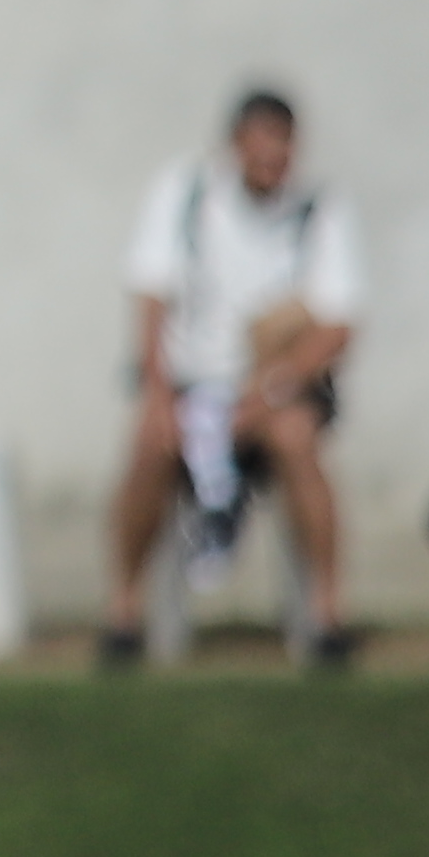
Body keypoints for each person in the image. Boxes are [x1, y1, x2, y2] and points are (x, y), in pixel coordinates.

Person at [102, 86, 366, 670]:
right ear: (235, 146)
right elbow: (151, 298)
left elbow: (338, 326)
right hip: (193, 385)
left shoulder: (319, 209)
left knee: (299, 442)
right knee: (148, 446)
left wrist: (269, 393)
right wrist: (157, 394)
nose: (272, 164)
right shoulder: (186, 194)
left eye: (283, 151)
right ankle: (124, 613)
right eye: (260, 149)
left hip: (274, 389)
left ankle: (325, 616)